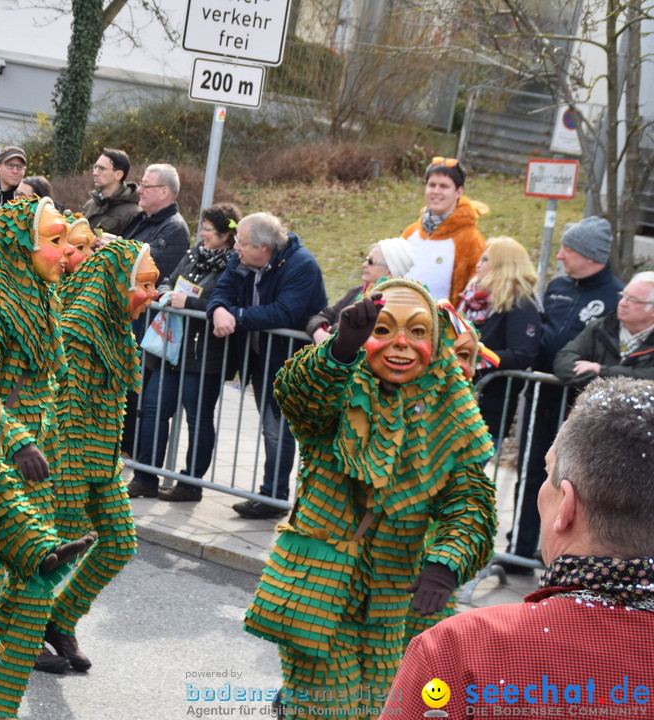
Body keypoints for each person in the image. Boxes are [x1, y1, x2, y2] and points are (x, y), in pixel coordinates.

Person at [244, 279, 496, 716]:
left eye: (417, 332)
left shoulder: (449, 407)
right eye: (384, 329)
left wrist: (445, 562)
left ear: (434, 343)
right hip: (318, 587)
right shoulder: (341, 387)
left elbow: (471, 503)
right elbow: (298, 398)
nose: (401, 344)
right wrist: (339, 351)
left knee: (382, 710)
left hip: (394, 598)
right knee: (330, 710)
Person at [384, 376, 654, 718]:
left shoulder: (461, 649)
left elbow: (469, 505)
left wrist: (447, 560)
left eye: (548, 473)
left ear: (566, 506)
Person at [0, 195, 77, 719]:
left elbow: (46, 382)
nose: (64, 252)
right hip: (2, 451)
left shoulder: (42, 293)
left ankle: (1, 687)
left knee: (36, 569)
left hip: (37, 448)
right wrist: (17, 440)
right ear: (22, 244)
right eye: (54, 242)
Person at [43, 239, 157, 673]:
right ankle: (20, 629)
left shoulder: (113, 326)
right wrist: (69, 478)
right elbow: (64, 409)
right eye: (143, 285)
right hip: (70, 462)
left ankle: (60, 618)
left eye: (153, 284)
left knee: (119, 543)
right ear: (116, 284)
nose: (151, 296)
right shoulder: (77, 331)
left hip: (103, 460)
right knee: (52, 550)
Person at [508, 216, 622, 572]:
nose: (559, 256)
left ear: (589, 256)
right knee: (531, 472)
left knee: (572, 482)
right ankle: (520, 546)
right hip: (542, 394)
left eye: (568, 250)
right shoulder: (557, 286)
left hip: (579, 407)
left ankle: (570, 553)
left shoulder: (616, 297)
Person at [206, 212, 327, 519]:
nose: (236, 248)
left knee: (278, 430)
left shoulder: (302, 264)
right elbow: (222, 289)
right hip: (260, 358)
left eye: (243, 243)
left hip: (290, 363)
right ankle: (271, 492)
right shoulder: (243, 258)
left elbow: (284, 313)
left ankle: (275, 496)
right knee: (270, 429)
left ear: (265, 247)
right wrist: (219, 309)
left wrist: (237, 316)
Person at [127, 203, 241, 501]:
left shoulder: (235, 265)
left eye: (209, 230)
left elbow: (224, 304)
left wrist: (189, 304)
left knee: (198, 418)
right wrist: (165, 292)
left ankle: (191, 484)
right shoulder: (193, 254)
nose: (202, 233)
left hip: (205, 355)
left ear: (226, 235)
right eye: (202, 227)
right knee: (152, 410)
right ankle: (145, 477)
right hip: (170, 349)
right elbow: (170, 277)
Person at [457, 236, 543, 444]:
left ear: (504, 266)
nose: (478, 264)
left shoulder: (522, 306)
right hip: (456, 402)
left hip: (487, 410)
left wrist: (474, 356)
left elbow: (522, 354)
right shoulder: (473, 300)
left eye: (485, 260)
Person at [402, 156, 488, 306]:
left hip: (441, 326)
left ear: (458, 191)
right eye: (432, 185)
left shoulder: (471, 240)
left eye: (444, 186)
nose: (436, 191)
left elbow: (476, 294)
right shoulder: (411, 232)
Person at [308, 237, 416, 344]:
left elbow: (365, 332)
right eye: (366, 259)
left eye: (370, 261)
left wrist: (331, 330)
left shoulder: (394, 303)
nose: (364, 264)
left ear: (389, 270)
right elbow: (321, 316)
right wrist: (319, 330)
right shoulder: (356, 291)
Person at [553, 271, 654, 384]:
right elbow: (563, 361)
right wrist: (599, 381)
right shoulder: (600, 328)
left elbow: (650, 376)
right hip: (592, 401)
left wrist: (603, 371)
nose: (622, 303)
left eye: (633, 300)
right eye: (623, 296)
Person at [120, 163, 189, 281]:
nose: (139, 190)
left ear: (164, 192)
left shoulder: (175, 228)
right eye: (141, 184)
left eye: (145, 186)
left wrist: (114, 250)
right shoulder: (142, 218)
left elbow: (147, 270)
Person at [82, 148, 140, 237]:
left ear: (118, 175)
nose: (95, 173)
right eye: (95, 167)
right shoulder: (90, 204)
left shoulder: (133, 213)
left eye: (101, 168)